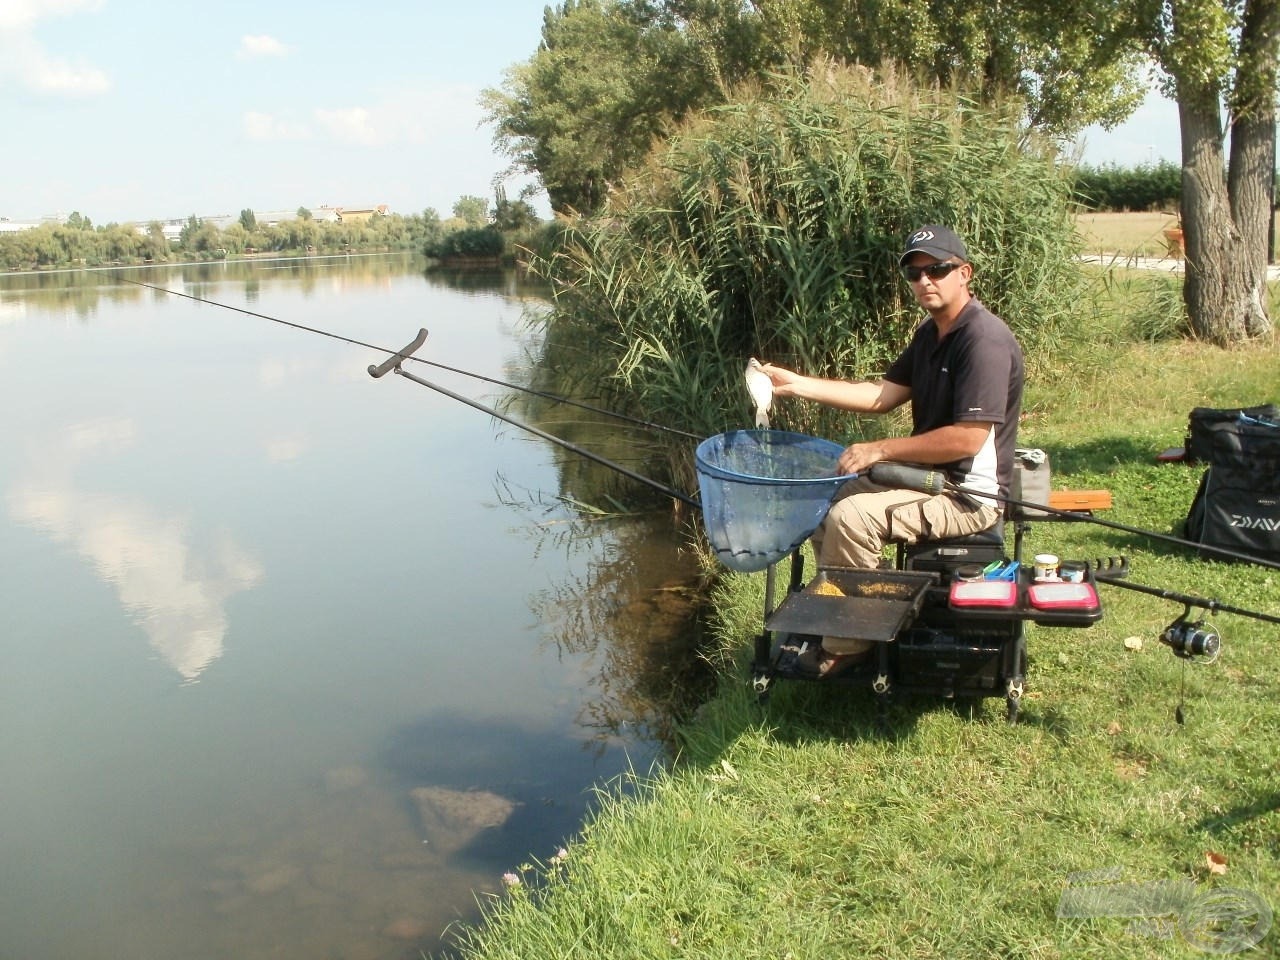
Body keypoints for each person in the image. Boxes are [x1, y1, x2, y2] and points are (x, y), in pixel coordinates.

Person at [759, 224, 1024, 676]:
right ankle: (845, 603)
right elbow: (881, 396)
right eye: (915, 273)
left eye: (936, 270)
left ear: (964, 273)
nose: (925, 281)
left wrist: (880, 449)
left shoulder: (984, 341)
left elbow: (967, 438)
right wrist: (798, 385)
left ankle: (848, 645)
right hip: (928, 478)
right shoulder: (931, 333)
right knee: (827, 495)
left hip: (969, 496)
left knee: (852, 516)